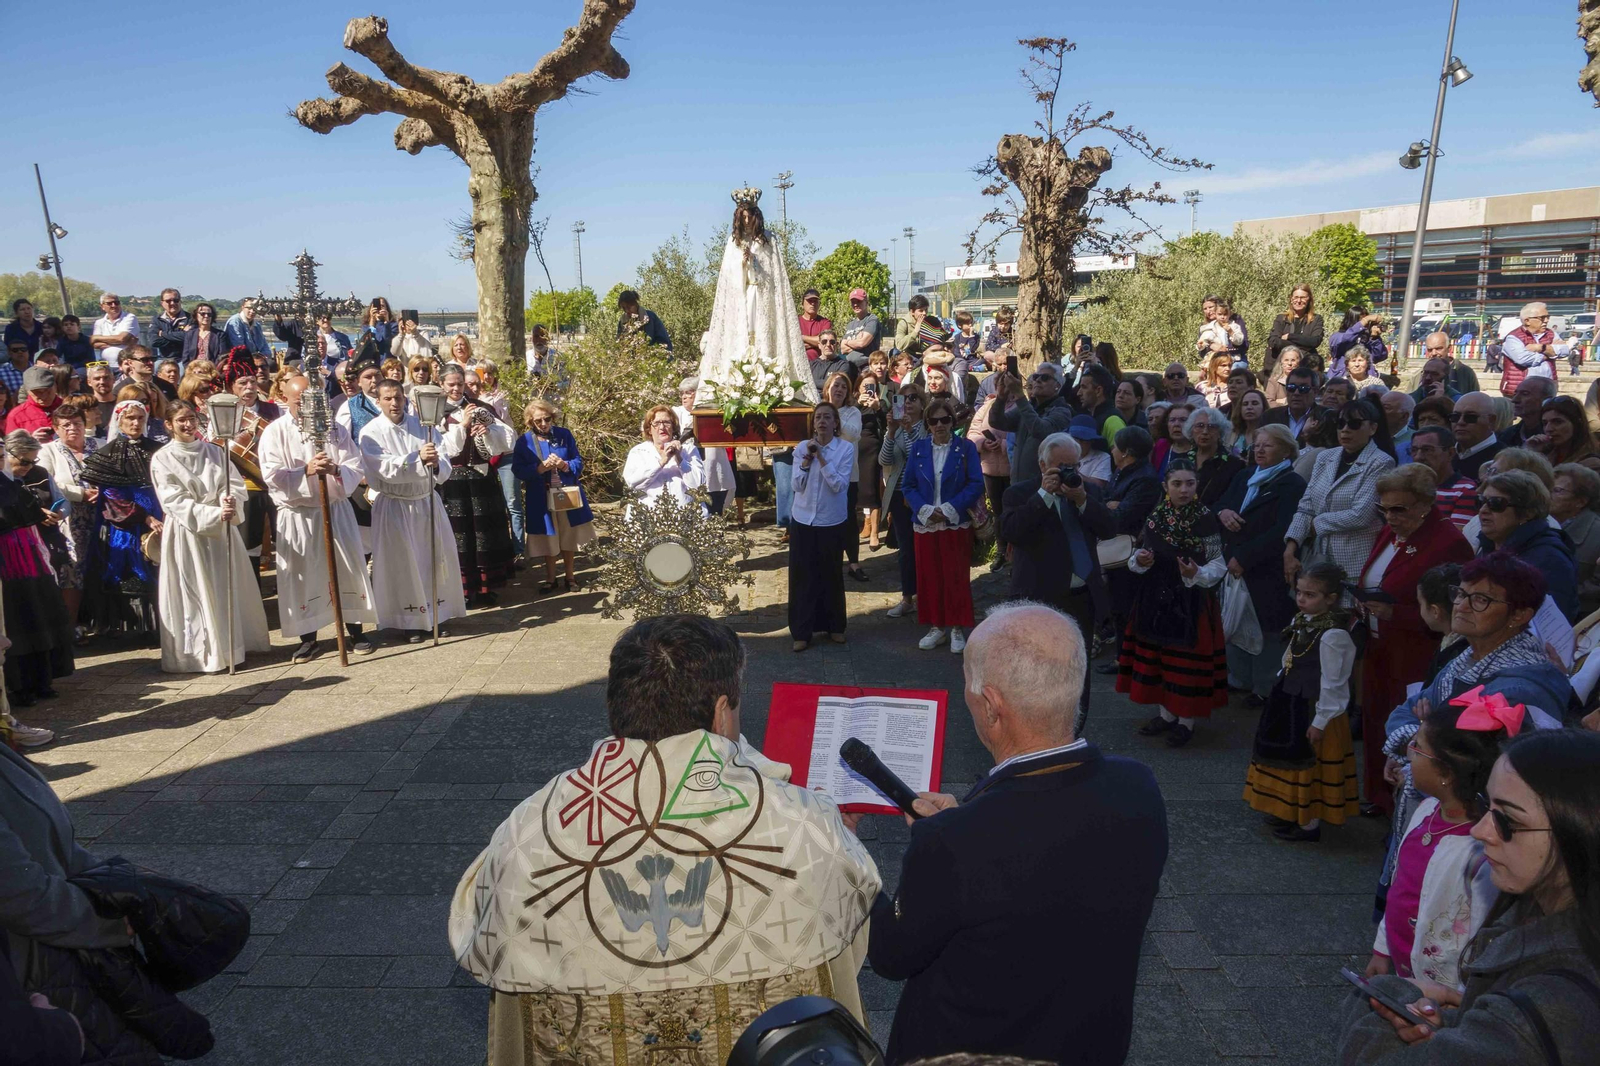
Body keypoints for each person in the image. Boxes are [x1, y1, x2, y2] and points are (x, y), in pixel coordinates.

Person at [449, 614, 880, 1066]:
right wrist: (832, 842)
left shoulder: (530, 831)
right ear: (720, 711)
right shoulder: (802, 825)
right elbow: (848, 922)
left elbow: (480, 925)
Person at [866, 601, 1167, 1066]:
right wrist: (967, 817)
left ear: (991, 705)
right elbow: (1038, 849)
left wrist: (850, 859)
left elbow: (889, 955)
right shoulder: (1139, 787)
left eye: (964, 678)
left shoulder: (955, 843)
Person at [1337, 730, 1600, 1066]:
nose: (1480, 830)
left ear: (1580, 833)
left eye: (1508, 820)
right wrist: (1466, 1020)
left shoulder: (1552, 1004)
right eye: (1485, 805)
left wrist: (1385, 998)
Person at [1366, 699, 1512, 989]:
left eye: (1417, 747)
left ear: (1445, 773)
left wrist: (1460, 997)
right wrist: (1382, 949)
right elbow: (1399, 888)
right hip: (1402, 967)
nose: (1408, 752)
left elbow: (1482, 935)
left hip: (1444, 989)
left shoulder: (1479, 852)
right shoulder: (1426, 810)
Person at [1355, 464, 1475, 811]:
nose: (1390, 516)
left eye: (1398, 509)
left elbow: (1455, 611)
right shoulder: (1393, 530)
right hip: (1380, 645)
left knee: (1409, 730)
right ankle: (1379, 795)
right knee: (1377, 721)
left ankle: (1404, 804)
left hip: (1415, 652)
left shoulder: (1448, 542)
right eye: (1384, 508)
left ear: (1425, 504)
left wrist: (1396, 614)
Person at [1000, 432, 1116, 733]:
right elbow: (1012, 531)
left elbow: (1109, 527)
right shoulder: (1020, 492)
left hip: (1081, 597)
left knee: (1077, 674)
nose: (1069, 473)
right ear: (1043, 464)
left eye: (1074, 466)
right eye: (1062, 466)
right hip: (1038, 598)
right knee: (1035, 671)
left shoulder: (1086, 491)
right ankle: (1032, 735)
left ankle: (1073, 734)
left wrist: (1082, 501)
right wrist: (1044, 496)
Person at [258, 374, 378, 661]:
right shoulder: (275, 432)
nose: (308, 407)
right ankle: (308, 638)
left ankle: (356, 631)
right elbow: (271, 475)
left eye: (314, 401)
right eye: (300, 401)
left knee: (347, 570)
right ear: (285, 398)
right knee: (304, 577)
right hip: (299, 514)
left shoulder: (334, 429)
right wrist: (305, 471)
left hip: (335, 509)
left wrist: (336, 470)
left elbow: (354, 463)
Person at [148, 400, 271, 672]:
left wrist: (231, 501)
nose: (188, 424)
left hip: (222, 533)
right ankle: (201, 654)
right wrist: (214, 514)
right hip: (189, 533)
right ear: (169, 425)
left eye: (191, 418)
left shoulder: (215, 452)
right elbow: (173, 500)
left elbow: (236, 485)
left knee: (223, 587)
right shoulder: (163, 458)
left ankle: (230, 649)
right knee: (197, 590)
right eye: (181, 420)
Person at [1241, 561, 1360, 842]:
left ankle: (1309, 824)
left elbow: (1334, 683)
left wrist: (1321, 721)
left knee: (1310, 763)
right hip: (1291, 698)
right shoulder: (1303, 621)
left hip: (1314, 708)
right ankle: (1288, 808)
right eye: (1300, 592)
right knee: (1285, 755)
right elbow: (1291, 656)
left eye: (1311, 595)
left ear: (1331, 598)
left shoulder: (1333, 635)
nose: (1302, 599)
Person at [359, 379, 465, 642]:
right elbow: (382, 468)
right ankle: (409, 621)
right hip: (396, 505)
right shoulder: (370, 432)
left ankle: (435, 616)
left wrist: (437, 463)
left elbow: (444, 458)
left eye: (398, 397)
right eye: (388, 399)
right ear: (379, 401)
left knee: (432, 559)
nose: (394, 403)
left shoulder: (423, 425)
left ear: (404, 398)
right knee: (403, 564)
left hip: (426, 501)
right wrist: (418, 459)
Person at [1213, 424, 1307, 701]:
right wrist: (1224, 512)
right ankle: (1238, 678)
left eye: (1268, 445)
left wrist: (1245, 557)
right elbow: (1219, 504)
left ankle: (1264, 687)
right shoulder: (1244, 476)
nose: (1259, 450)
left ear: (1286, 450)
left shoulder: (1292, 483)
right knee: (1235, 619)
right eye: (1256, 445)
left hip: (1267, 568)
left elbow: (1283, 529)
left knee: (1268, 626)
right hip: (1233, 562)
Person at [1285, 399, 1397, 586]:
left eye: (1354, 424)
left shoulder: (1381, 462)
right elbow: (1306, 507)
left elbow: (1361, 515)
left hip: (1353, 563)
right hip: (1316, 558)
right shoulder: (1325, 457)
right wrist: (1290, 547)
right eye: (1340, 424)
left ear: (1372, 428)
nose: (1345, 429)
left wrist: (1317, 523)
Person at [903, 397, 983, 653]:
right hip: (925, 522)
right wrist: (926, 510)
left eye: (945, 420)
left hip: (955, 522)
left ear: (952, 421)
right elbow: (908, 485)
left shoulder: (966, 447)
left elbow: (975, 484)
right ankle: (936, 627)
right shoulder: (918, 449)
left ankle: (957, 628)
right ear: (927, 423)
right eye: (934, 421)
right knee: (929, 577)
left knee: (956, 576)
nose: (940, 425)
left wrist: (949, 509)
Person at [78, 400, 164, 640]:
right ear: (119, 421)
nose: (135, 423)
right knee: (130, 570)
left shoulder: (157, 449)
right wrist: (145, 517)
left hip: (160, 515)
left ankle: (160, 625)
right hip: (125, 524)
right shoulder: (108, 455)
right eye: (130, 418)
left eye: (140, 418)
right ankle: (130, 628)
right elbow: (112, 497)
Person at [438, 366, 517, 607]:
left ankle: (485, 588)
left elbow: (508, 438)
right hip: (452, 483)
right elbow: (443, 447)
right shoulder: (435, 412)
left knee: (485, 536)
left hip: (481, 479)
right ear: (441, 384)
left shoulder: (480, 407)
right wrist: (463, 425)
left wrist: (488, 430)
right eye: (451, 384)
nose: (455, 388)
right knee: (459, 538)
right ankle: (461, 590)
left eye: (459, 384)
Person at [0, 460, 74, 712]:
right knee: (16, 620)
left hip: (32, 558)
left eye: (1, 456)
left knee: (40, 615)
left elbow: (31, 512)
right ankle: (18, 686)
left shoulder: (14, 484)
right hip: (7, 564)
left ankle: (42, 680)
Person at [787, 401, 854, 650]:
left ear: (836, 423)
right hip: (803, 518)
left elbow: (838, 485)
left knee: (831, 573)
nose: (822, 421)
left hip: (831, 519)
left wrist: (822, 458)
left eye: (827, 417)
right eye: (818, 418)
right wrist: (806, 461)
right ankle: (801, 632)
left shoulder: (845, 449)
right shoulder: (802, 447)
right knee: (802, 575)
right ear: (813, 423)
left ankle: (835, 626)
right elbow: (796, 485)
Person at [512, 398, 595, 594]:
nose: (543, 424)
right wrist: (539, 468)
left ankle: (570, 576)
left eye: (547, 419)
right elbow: (518, 470)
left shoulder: (564, 435)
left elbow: (578, 462)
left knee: (569, 536)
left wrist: (564, 465)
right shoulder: (524, 442)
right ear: (530, 422)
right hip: (541, 497)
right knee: (548, 538)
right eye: (538, 421)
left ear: (552, 418)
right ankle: (550, 578)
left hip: (566, 493)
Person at [1476, 470, 1578, 619]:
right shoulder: (1489, 545)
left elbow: (1549, 623)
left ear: (1528, 513)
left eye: (1495, 504)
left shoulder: (1549, 559)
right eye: (1480, 501)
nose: (1483, 510)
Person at [36, 404, 98, 637]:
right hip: (70, 521)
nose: (73, 428)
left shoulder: (98, 445)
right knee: (72, 571)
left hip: (103, 517)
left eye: (78, 423)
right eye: (66, 425)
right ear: (56, 428)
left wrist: (105, 492)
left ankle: (100, 624)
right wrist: (80, 493)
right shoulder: (48, 451)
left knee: (99, 568)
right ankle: (68, 629)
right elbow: (50, 483)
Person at [879, 385, 928, 620]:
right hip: (899, 494)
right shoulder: (896, 428)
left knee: (924, 548)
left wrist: (908, 431)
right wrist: (890, 431)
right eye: (903, 398)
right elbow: (884, 459)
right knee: (906, 549)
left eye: (913, 398)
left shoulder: (928, 427)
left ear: (922, 403)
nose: (907, 402)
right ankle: (908, 597)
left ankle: (926, 596)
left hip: (921, 494)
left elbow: (919, 455)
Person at [624, 405, 706, 506]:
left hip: (685, 516)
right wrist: (661, 462)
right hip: (648, 516)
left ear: (674, 427)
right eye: (657, 423)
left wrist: (679, 459)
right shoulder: (638, 452)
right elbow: (633, 484)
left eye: (667, 422)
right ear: (649, 429)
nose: (662, 427)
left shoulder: (688, 450)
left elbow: (698, 485)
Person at [1551, 462, 1600, 618]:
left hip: (1578, 618)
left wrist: (1556, 593)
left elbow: (1596, 586)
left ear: (1581, 501)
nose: (1548, 495)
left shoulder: (1597, 533)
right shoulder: (1538, 522)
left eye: (1557, 491)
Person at [1498, 301, 1569, 397]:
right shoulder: (1513, 337)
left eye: (1548, 317)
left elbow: (1565, 350)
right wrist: (1549, 352)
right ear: (1527, 320)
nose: (1546, 320)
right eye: (1542, 318)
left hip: (1547, 390)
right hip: (1519, 391)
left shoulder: (1551, 334)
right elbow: (1523, 359)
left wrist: (1539, 347)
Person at [1187, 405, 1244, 508]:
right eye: (1200, 426)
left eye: (1212, 427)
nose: (1205, 432)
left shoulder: (1234, 465)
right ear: (1191, 431)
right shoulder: (1183, 461)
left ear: (1220, 432)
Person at [1525, 394, 1600, 472]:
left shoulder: (1591, 464)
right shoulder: (1548, 455)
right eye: (1545, 423)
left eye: (1557, 422)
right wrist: (1531, 453)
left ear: (1577, 423)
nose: (1549, 429)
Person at [1265, 285, 1326, 380]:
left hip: (1306, 370)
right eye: (1296, 297)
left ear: (1309, 299)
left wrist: (1290, 336)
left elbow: (1315, 341)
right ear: (1291, 299)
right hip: (1280, 370)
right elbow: (1273, 341)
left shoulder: (1316, 319)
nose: (1299, 301)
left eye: (1302, 297)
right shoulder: (1281, 318)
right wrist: (1305, 346)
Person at [1263, 363, 1323, 444]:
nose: (1296, 393)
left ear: (1315, 392)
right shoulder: (1270, 417)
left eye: (1303, 388)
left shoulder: (1324, 418)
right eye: (1291, 387)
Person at [6, 366, 62, 441]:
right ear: (27, 390)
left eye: (47, 390)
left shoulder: (68, 407)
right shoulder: (16, 415)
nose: (44, 396)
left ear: (55, 386)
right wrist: (30, 440)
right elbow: (11, 447)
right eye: (37, 392)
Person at [1329, 308, 1389, 379]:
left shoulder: (1366, 338)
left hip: (1366, 379)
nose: (1365, 324)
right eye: (1362, 320)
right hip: (1342, 378)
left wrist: (1375, 338)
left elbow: (1380, 356)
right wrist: (1365, 321)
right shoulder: (1338, 336)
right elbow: (1346, 339)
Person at [1499, 376, 1556, 449]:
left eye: (1525, 394)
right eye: (1515, 394)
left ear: (1546, 400)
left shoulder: (1556, 436)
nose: (1515, 400)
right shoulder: (1507, 435)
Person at [1420, 329, 1481, 396]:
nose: (1434, 353)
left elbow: (1475, 400)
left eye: (1438, 348)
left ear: (1449, 348)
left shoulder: (1465, 372)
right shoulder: (1420, 375)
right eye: (1430, 350)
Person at [89, 293, 140, 369]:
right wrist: (121, 343)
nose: (114, 305)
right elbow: (95, 344)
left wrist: (96, 337)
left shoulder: (129, 318)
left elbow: (121, 338)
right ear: (102, 306)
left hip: (127, 365)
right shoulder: (99, 323)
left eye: (116, 303)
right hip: (106, 366)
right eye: (109, 303)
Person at [222, 298, 274, 369]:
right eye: (249, 308)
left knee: (271, 364)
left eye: (255, 308)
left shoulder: (257, 325)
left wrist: (265, 356)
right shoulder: (235, 322)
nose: (252, 311)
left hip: (256, 358)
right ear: (242, 307)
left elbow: (264, 345)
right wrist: (254, 359)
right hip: (239, 359)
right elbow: (239, 347)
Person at [1154, 400, 1194, 477]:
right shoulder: (1161, 446)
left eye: (1183, 420)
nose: (1176, 424)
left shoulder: (1200, 450)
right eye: (1172, 420)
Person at [1230, 387, 1269, 458]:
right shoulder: (1233, 433)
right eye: (1245, 404)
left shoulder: (1270, 435)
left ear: (1264, 407)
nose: (1249, 407)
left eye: (1254, 403)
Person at [797, 287, 832, 358]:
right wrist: (815, 342)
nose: (812, 303)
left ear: (819, 304)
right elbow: (793, 344)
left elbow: (824, 341)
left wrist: (802, 337)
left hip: (819, 364)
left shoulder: (825, 322)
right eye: (809, 301)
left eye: (815, 301)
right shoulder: (796, 322)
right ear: (802, 303)